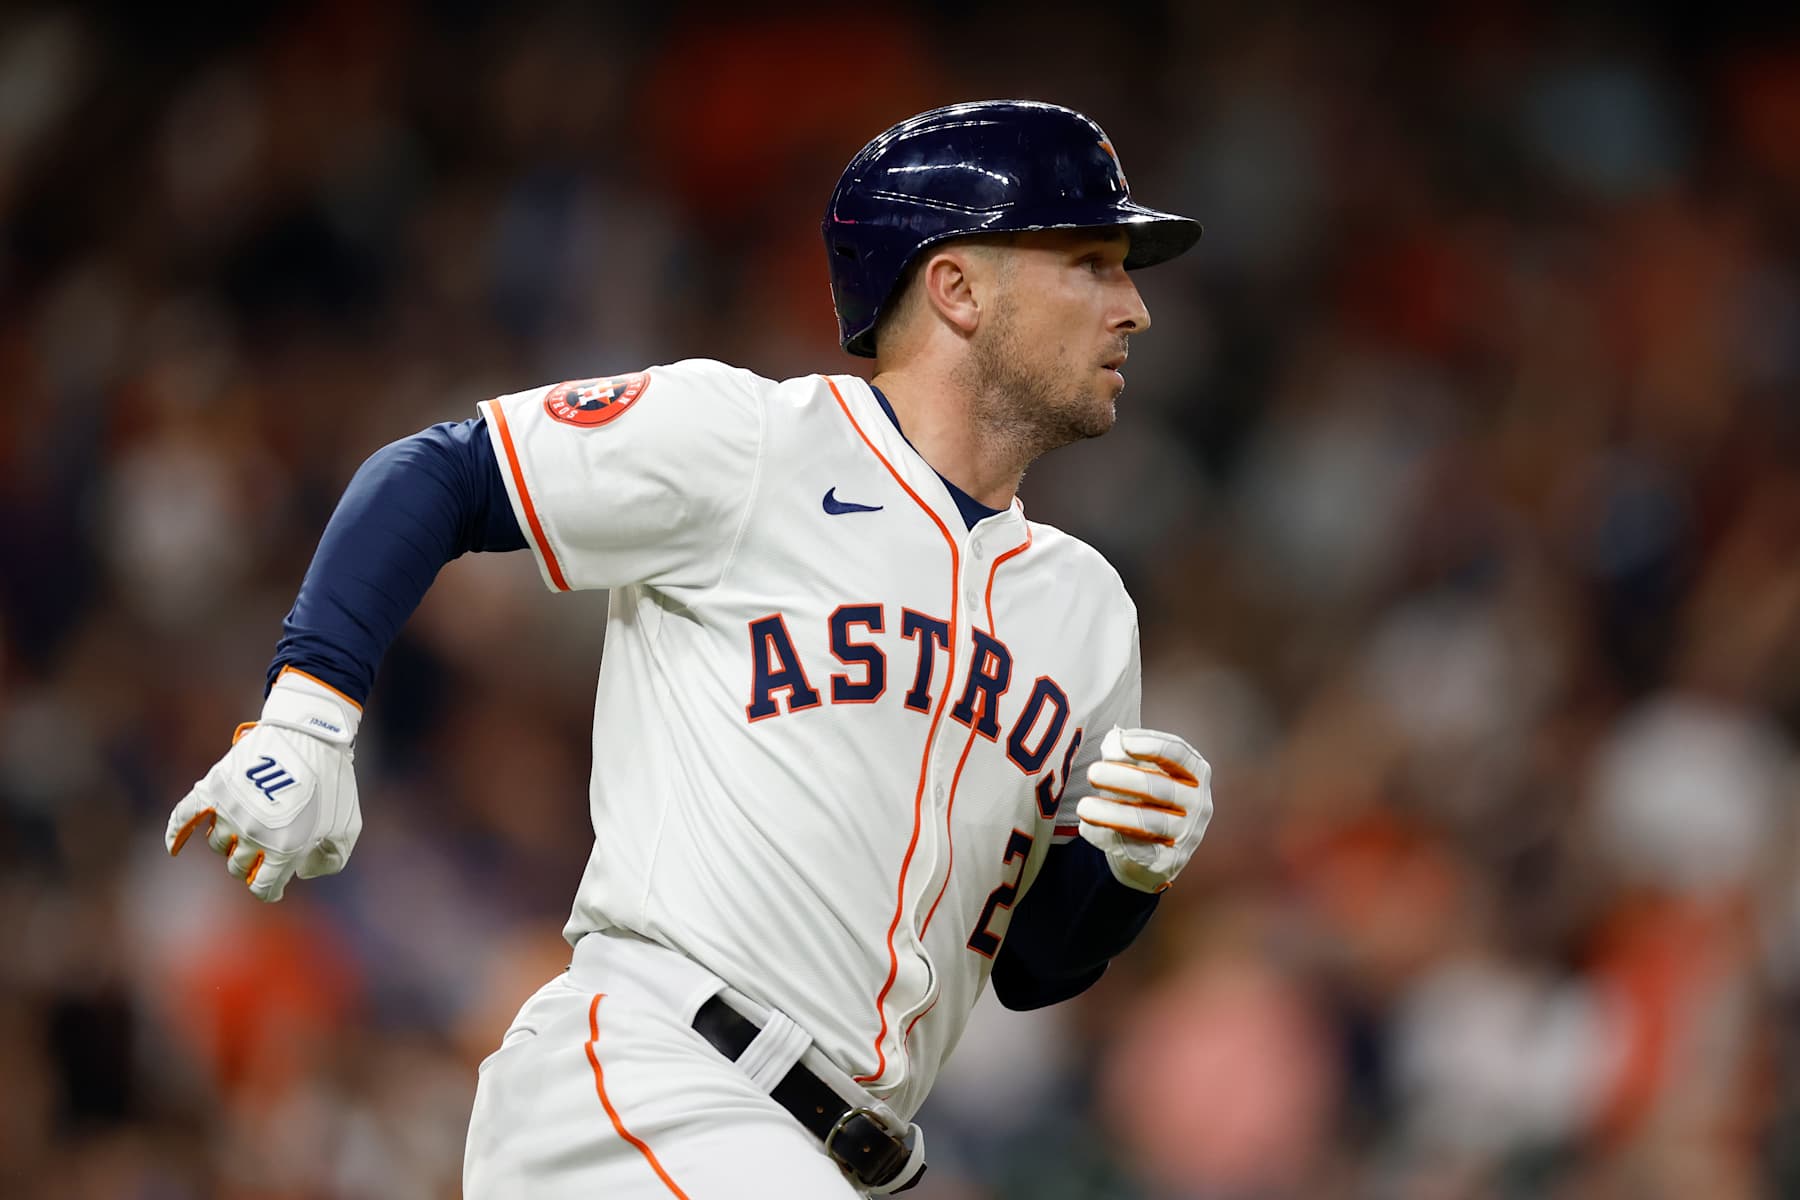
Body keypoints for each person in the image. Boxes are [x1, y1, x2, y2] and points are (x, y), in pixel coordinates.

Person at [165, 99, 1216, 1198]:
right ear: (955, 287)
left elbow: (1035, 965)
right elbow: (437, 473)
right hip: (654, 1084)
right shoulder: (754, 443)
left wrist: (1124, 872)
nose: (1134, 307)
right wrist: (309, 712)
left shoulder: (1088, 612)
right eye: (1092, 262)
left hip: (842, 1156)